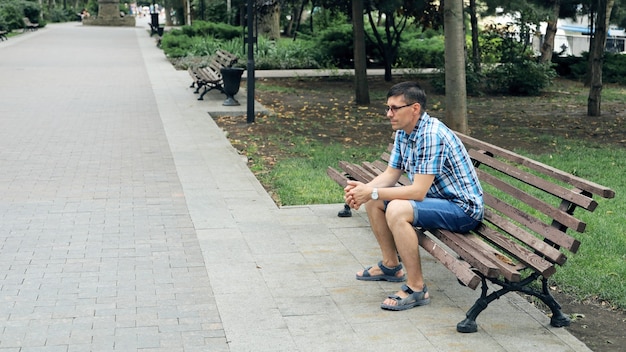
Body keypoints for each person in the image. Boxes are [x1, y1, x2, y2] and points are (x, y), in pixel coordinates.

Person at [343, 81, 484, 311]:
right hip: (439, 201)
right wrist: (363, 192)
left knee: (397, 210)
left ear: (415, 108)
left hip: (462, 209)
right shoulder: (405, 131)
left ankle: (417, 288)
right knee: (375, 200)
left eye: (395, 108)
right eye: (388, 108)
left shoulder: (431, 134)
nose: (389, 114)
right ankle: (391, 266)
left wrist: (371, 191)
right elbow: (390, 174)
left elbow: (418, 191)